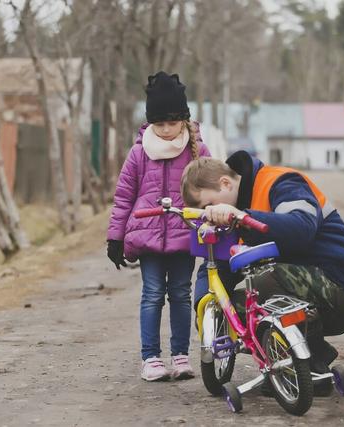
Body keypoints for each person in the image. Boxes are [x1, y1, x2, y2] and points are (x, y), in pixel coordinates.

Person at [180, 150, 344, 394]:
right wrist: (207, 311)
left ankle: (310, 364)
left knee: (262, 286)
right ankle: (302, 362)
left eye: (208, 205)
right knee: (233, 310)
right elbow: (218, 267)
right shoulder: (233, 210)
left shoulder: (282, 182)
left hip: (343, 284)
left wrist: (244, 217)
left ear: (225, 183)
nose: (209, 215)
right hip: (303, 285)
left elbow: (301, 229)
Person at [106, 72, 211, 381]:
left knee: (181, 294)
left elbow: (212, 192)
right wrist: (115, 238)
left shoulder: (197, 152)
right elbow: (124, 197)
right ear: (150, 121)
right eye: (160, 123)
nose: (166, 130)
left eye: (173, 122)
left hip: (183, 235)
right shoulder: (139, 153)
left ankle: (180, 356)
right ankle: (151, 358)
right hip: (146, 236)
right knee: (152, 294)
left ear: (184, 119)